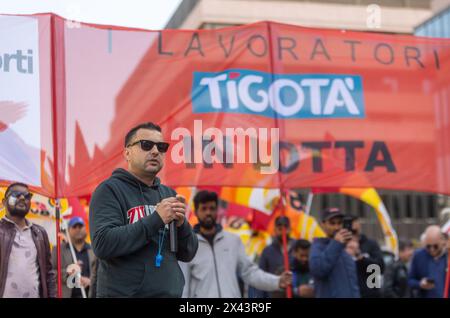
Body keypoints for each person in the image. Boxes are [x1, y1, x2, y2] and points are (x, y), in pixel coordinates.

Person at [89, 122, 198, 297]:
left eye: (161, 147)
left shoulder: (168, 194)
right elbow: (103, 244)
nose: (155, 151)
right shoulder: (109, 190)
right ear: (127, 153)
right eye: (146, 145)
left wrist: (182, 225)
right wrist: (156, 219)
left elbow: (188, 252)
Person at [180, 191, 292, 298]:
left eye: (212, 208)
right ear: (196, 212)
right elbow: (183, 286)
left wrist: (277, 281)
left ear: (217, 210)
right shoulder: (188, 244)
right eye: (204, 209)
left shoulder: (233, 241)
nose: (208, 213)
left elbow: (249, 272)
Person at [0, 182, 56, 298]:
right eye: (16, 194)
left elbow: (49, 273)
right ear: (4, 202)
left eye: (27, 196)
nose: (22, 198)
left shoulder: (40, 233)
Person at [309, 208, 360, 298]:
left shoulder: (344, 247)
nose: (336, 227)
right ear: (323, 225)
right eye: (332, 223)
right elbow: (318, 270)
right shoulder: (318, 246)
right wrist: (336, 243)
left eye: (339, 223)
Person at [51, 217, 96, 298]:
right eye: (74, 227)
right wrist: (68, 272)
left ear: (85, 229)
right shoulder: (58, 249)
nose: (78, 229)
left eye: (80, 226)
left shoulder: (94, 250)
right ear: (68, 230)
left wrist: (90, 282)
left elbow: (101, 274)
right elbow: (50, 274)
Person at [253, 216, 294, 298]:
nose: (283, 232)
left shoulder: (297, 248)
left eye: (285, 228)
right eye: (280, 229)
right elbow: (262, 276)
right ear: (275, 230)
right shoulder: (267, 251)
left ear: (290, 229)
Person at [348, 215, 385, 298]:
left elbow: (380, 268)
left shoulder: (370, 244)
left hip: (369, 293)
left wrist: (361, 258)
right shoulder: (340, 245)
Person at [408, 225, 448, 298]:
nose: (432, 249)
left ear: (442, 241)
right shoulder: (418, 255)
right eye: (428, 246)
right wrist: (420, 284)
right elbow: (409, 280)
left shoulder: (448, 256)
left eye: (435, 246)